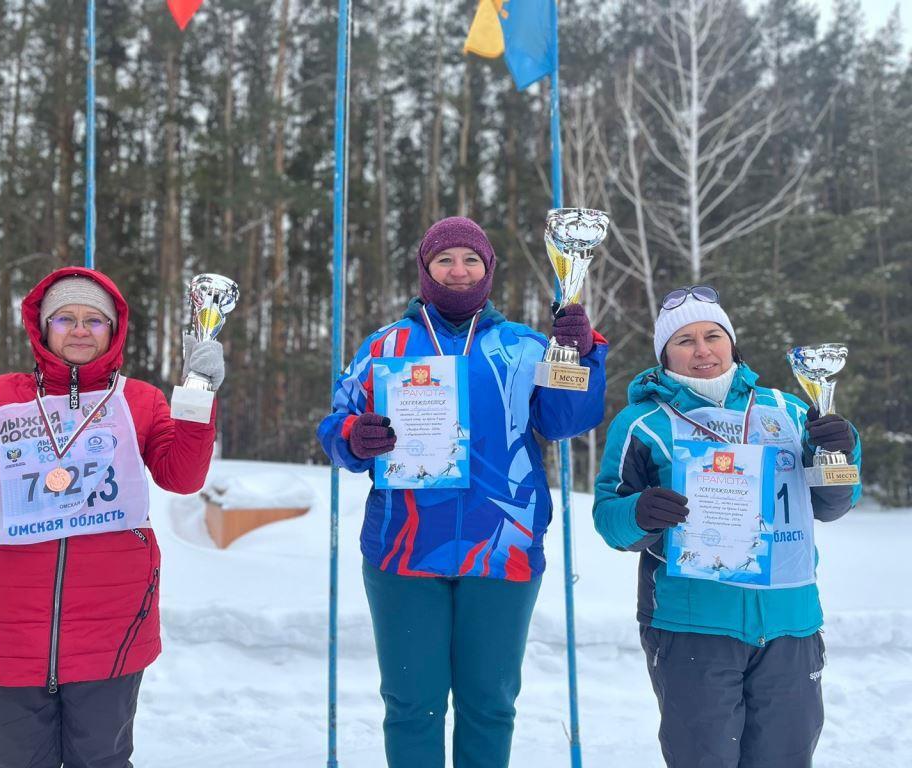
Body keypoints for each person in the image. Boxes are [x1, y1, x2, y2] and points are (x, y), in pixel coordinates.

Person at [0, 267, 225, 768]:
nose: (80, 329)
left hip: (111, 625)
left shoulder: (139, 401)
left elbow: (182, 476)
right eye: (65, 317)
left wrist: (198, 395)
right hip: (9, 629)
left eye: (95, 319)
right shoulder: (2, 398)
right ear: (42, 327)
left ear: (114, 330)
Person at [318, 216, 607, 768]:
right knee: (411, 706)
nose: (458, 269)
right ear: (425, 268)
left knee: (490, 705)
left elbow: (567, 419)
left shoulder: (524, 346)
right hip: (403, 551)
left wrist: (580, 354)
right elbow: (337, 428)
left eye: (470, 259)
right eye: (444, 259)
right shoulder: (386, 345)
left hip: (504, 548)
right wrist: (355, 437)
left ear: (488, 269)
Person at [592, 285, 862, 767]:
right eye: (685, 340)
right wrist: (639, 513)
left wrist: (842, 449)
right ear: (664, 354)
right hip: (693, 625)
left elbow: (831, 503)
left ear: (731, 342)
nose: (702, 351)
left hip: (790, 622)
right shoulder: (643, 423)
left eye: (713, 336)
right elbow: (610, 519)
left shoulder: (789, 410)